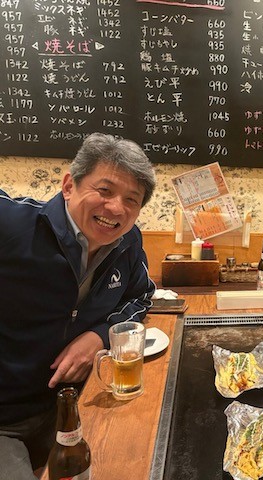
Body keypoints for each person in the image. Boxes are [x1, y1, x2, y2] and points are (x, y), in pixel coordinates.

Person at [0, 133, 157, 479]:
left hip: (72, 405)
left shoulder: (128, 242)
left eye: (131, 200)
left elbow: (141, 295)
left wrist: (99, 336)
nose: (116, 208)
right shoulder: (15, 224)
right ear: (69, 185)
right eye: (105, 190)